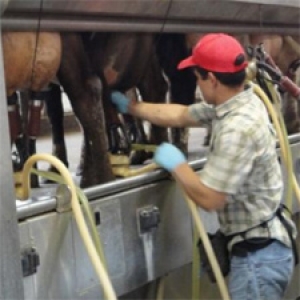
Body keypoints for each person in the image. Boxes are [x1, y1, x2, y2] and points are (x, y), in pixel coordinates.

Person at [111, 33, 297, 300]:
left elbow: (211, 198)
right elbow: (181, 114)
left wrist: (178, 165)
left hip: (257, 260)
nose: (196, 85)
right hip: (264, 250)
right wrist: (131, 106)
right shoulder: (239, 101)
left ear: (212, 79)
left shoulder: (237, 129)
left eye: (198, 78)